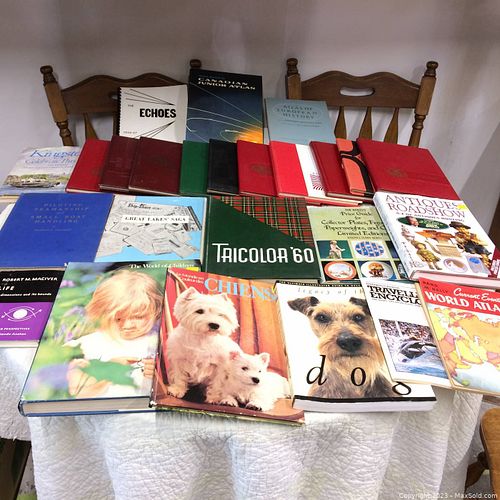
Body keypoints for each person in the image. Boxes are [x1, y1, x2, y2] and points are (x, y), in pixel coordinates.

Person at [65, 270, 163, 398]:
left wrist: (162, 377)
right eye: (118, 319)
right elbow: (74, 390)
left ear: (156, 310)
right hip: (105, 408)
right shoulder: (92, 343)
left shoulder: (162, 340)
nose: (127, 325)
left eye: (138, 317)